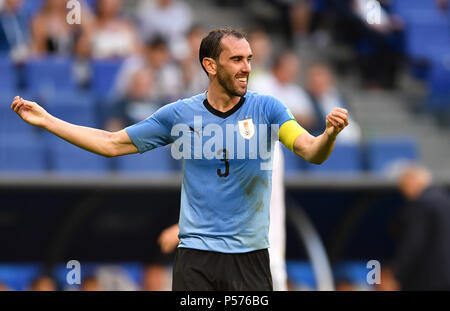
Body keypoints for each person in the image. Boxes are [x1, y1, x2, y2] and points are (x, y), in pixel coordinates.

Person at [11, 28, 349, 291]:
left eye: (249, 59)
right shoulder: (179, 114)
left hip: (250, 259)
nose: (247, 67)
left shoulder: (268, 109)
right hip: (196, 260)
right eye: (237, 60)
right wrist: (49, 121)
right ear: (210, 66)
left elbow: (309, 150)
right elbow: (112, 144)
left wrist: (328, 135)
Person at [379, 164, 450, 291]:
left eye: (404, 185)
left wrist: (396, 275)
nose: (403, 191)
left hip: (427, 279)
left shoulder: (421, 204)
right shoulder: (444, 199)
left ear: (412, 180)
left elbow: (413, 243)